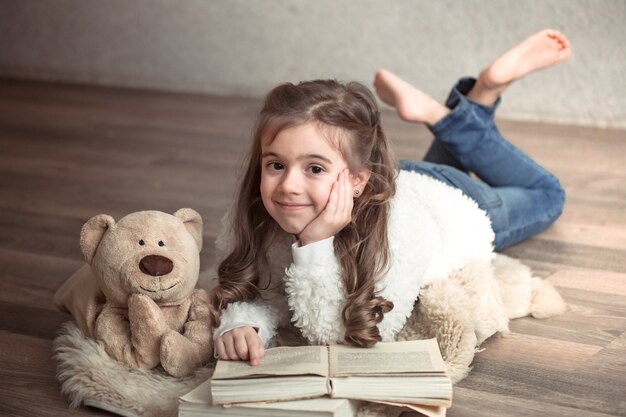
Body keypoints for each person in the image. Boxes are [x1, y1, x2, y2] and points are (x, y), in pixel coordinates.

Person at [209, 29, 571, 366]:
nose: (287, 185)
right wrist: (242, 324)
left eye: (314, 168)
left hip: (451, 201)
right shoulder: (260, 214)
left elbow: (344, 334)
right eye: (275, 164)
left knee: (547, 194)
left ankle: (450, 112)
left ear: (356, 179)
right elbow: (263, 294)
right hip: (395, 179)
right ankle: (478, 97)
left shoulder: (398, 234)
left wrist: (315, 245)